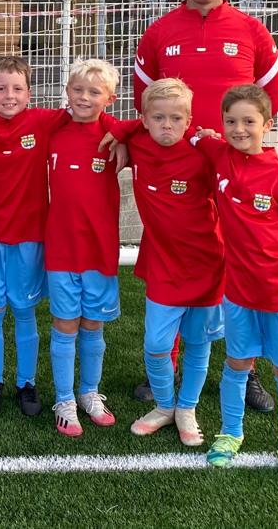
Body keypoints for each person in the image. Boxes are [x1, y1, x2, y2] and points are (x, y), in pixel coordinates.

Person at [131, 0, 278, 411]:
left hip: (231, 170)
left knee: (241, 261)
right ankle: (168, 363)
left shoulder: (253, 31)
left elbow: (268, 103)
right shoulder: (158, 33)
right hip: (174, 169)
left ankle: (245, 367)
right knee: (172, 253)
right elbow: (143, 104)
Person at [194, 85, 278, 484]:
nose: (239, 129)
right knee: (237, 364)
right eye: (231, 122)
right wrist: (204, 135)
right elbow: (191, 131)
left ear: (268, 124)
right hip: (239, 294)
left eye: (249, 121)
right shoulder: (218, 155)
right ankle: (230, 435)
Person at [104, 79, 225, 446]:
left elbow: (246, 159)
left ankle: (186, 408)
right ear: (144, 119)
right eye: (158, 118)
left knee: (197, 342)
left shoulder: (206, 151)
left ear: (189, 120)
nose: (167, 126)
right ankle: (164, 405)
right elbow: (108, 123)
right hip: (162, 262)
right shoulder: (139, 142)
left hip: (207, 264)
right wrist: (124, 134)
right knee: (156, 343)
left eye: (176, 118)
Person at [0, 56, 72, 417]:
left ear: (30, 93)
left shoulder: (43, 121)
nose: (9, 95)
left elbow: (91, 115)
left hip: (29, 235)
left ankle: (26, 383)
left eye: (17, 88)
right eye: (1, 88)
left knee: (24, 311)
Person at [45, 59, 122, 438]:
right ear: (67, 91)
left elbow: (157, 129)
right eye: (78, 90)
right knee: (65, 325)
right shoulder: (54, 129)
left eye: (94, 92)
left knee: (93, 324)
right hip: (60, 249)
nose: (84, 98)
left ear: (110, 98)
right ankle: (64, 399)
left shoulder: (116, 135)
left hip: (99, 251)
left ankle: (89, 392)